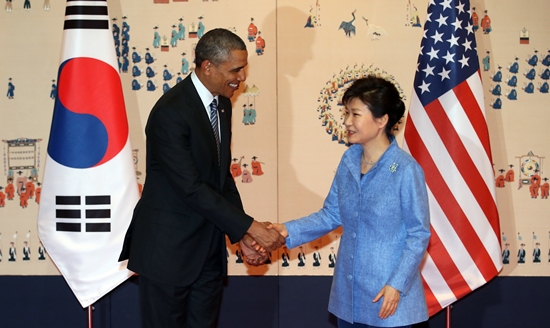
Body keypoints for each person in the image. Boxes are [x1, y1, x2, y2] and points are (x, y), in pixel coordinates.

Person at [119, 28, 284, 328]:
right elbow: (191, 188)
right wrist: (251, 228)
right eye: (235, 69)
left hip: (207, 253)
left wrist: (242, 234)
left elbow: (221, 178)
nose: (242, 78)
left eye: (243, 68)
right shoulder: (171, 112)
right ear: (207, 66)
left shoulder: (221, 104)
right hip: (168, 253)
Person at [271, 76, 430, 327]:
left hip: (388, 299)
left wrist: (396, 285)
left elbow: (418, 233)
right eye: (346, 113)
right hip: (349, 296)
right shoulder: (349, 160)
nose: (347, 122)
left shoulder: (406, 170)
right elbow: (332, 214)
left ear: (382, 120)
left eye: (355, 114)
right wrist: (286, 230)